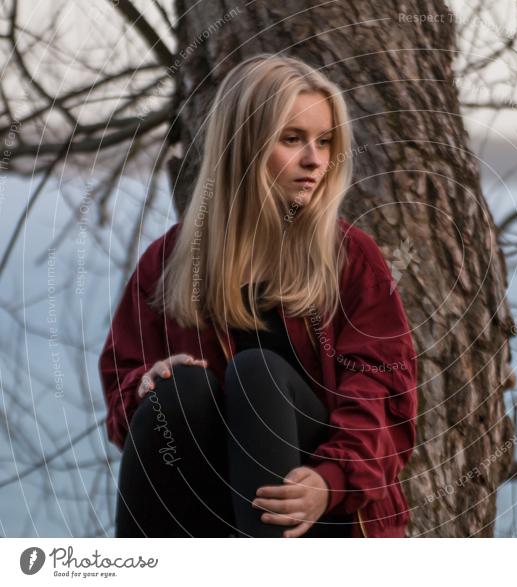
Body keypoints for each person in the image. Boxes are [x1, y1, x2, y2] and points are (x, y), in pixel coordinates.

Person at [98, 54, 418, 538]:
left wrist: (329, 481)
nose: (315, 159)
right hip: (211, 506)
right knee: (179, 388)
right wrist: (144, 386)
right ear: (243, 146)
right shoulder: (170, 261)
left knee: (257, 372)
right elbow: (123, 388)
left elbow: (384, 393)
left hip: (324, 510)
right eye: (293, 140)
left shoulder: (350, 258)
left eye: (324, 142)